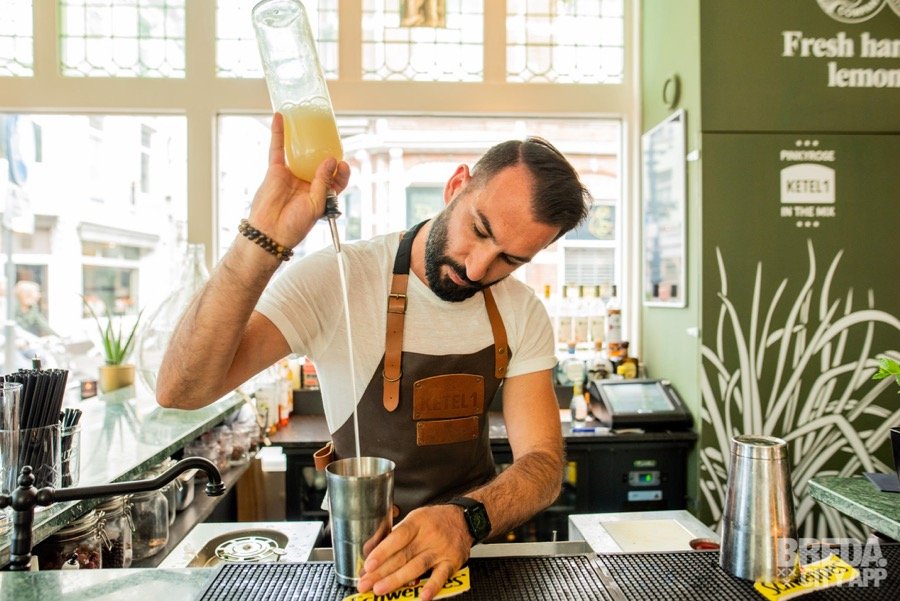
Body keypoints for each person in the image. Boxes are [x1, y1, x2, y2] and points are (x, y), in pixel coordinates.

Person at [156, 113, 591, 601]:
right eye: (479, 229)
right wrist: (261, 238)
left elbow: (543, 464)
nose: (476, 268)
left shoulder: (522, 311)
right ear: (456, 186)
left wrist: (466, 519)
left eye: (511, 260)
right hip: (359, 563)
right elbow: (182, 390)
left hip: (474, 555)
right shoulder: (339, 279)